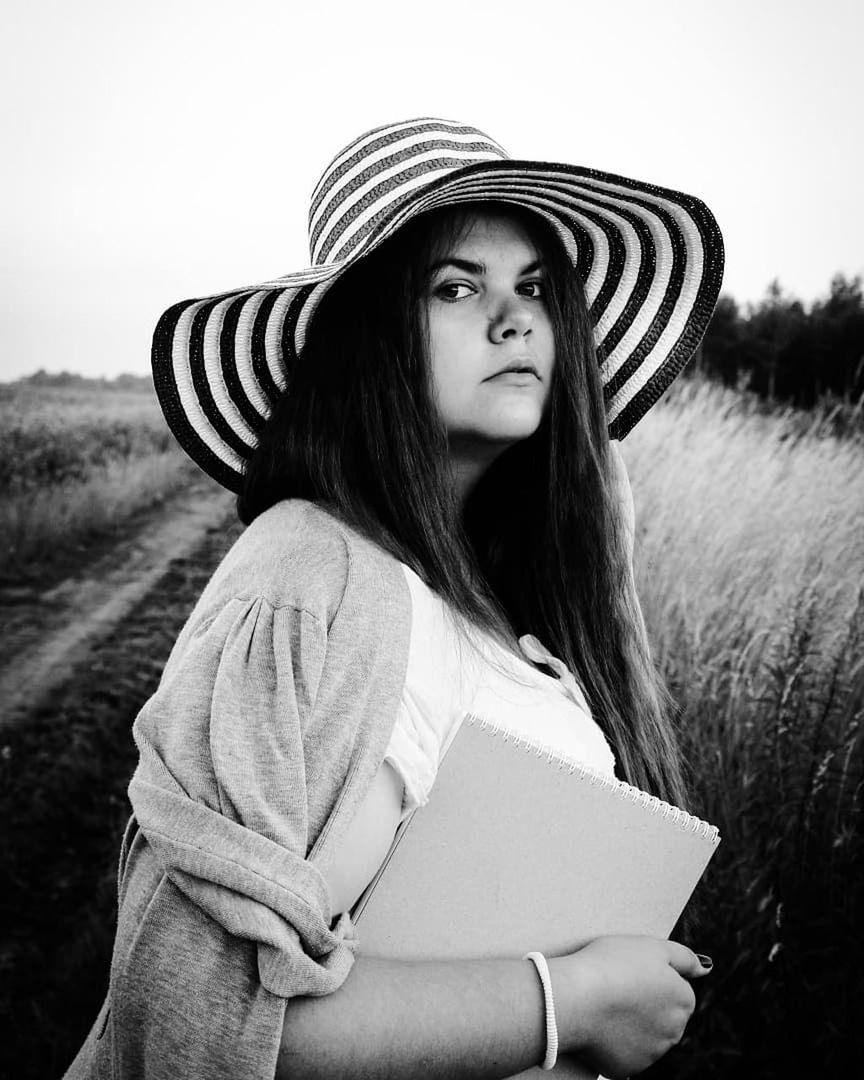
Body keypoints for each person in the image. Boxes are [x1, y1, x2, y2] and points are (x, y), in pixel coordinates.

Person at [65, 117, 724, 1080]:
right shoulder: (309, 571)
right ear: (363, 343)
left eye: (535, 287)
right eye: (457, 286)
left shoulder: (487, 599)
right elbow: (193, 1019)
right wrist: (571, 1002)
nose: (517, 320)